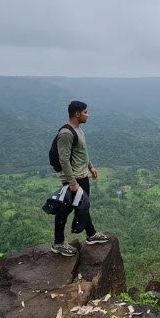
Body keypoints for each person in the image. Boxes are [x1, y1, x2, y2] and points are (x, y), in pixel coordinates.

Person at [51, 100, 110, 256]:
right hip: (74, 179)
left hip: (82, 176)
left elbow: (82, 152)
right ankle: (58, 243)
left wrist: (91, 167)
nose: (87, 115)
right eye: (85, 112)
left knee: (84, 206)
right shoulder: (66, 133)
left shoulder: (79, 130)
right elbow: (63, 159)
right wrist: (72, 183)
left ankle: (91, 234)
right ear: (77, 114)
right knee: (64, 210)